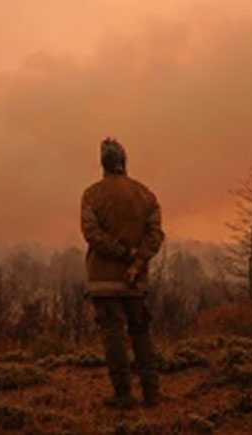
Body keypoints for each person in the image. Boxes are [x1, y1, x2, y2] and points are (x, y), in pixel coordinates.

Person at [80, 138, 165, 408]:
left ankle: (123, 394)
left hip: (104, 281)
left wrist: (121, 253)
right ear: (125, 162)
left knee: (113, 335)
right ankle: (152, 394)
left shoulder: (92, 194)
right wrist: (137, 261)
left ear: (102, 163)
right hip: (135, 281)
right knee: (141, 333)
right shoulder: (146, 195)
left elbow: (91, 234)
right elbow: (155, 235)